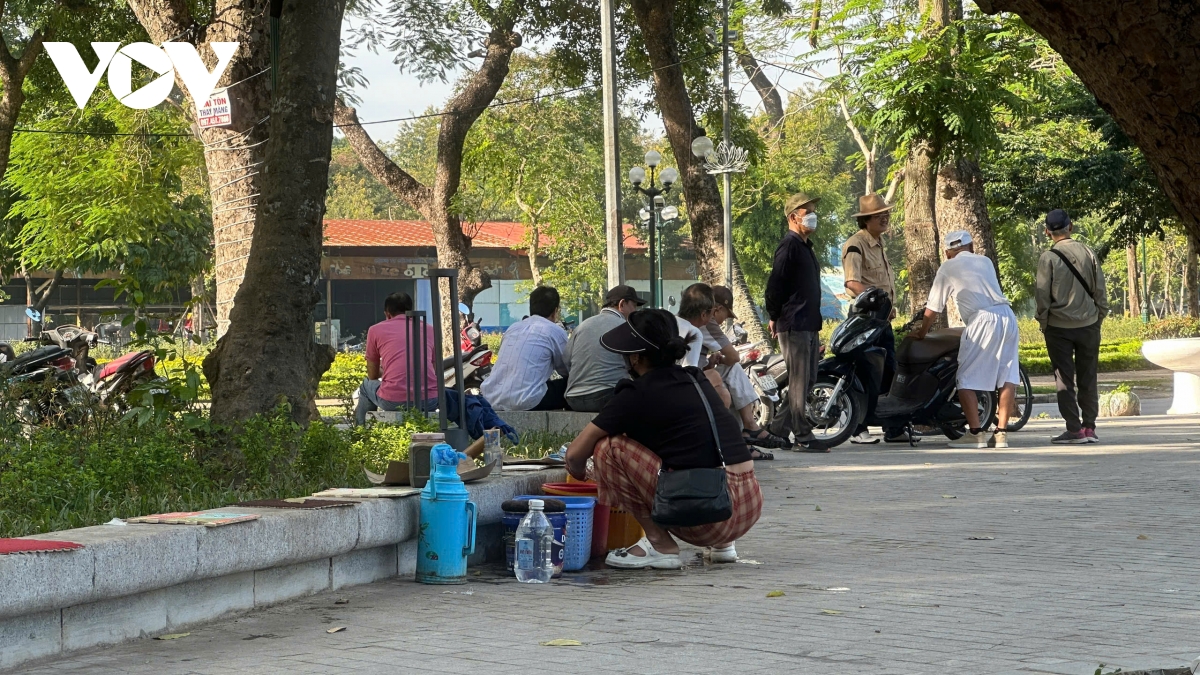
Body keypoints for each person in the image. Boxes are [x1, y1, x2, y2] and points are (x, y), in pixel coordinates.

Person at [565, 308, 763, 569]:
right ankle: (723, 546)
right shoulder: (696, 380)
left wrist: (581, 474)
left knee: (607, 449)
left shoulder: (634, 394)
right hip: (747, 504)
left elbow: (575, 454)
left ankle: (660, 544)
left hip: (708, 518)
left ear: (634, 357)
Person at [911, 231, 1020, 449]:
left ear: (947, 252)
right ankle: (1001, 433)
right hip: (1007, 316)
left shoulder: (948, 267)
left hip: (982, 319)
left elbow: (933, 308)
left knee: (965, 378)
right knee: (1007, 374)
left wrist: (921, 333)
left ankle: (976, 433)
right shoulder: (985, 261)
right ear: (971, 247)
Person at [680, 283, 790, 458]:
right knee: (729, 376)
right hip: (686, 380)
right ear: (713, 310)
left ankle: (744, 435)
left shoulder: (678, 323)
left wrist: (709, 363)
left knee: (730, 380)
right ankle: (746, 431)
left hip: (687, 374)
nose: (724, 320)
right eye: (726, 314)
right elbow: (732, 357)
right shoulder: (702, 327)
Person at [841, 194, 914, 445]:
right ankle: (858, 428)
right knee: (866, 372)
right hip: (865, 320)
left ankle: (892, 428)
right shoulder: (856, 244)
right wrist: (877, 301)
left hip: (882, 322)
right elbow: (852, 283)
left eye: (887, 214)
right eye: (878, 215)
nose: (885, 218)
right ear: (865, 220)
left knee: (889, 372)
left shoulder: (879, 243)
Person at [1035, 209, 1109, 444]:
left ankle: (1074, 430)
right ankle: (1089, 427)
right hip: (1089, 325)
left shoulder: (1048, 257)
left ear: (1047, 232)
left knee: (1064, 379)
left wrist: (1044, 322)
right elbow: (1100, 290)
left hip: (1058, 328)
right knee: (1089, 376)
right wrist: (1099, 316)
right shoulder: (1088, 252)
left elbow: (1042, 296)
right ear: (1071, 227)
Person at [764, 192, 824, 451]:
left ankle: (778, 429)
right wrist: (774, 316)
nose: (812, 217)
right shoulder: (788, 245)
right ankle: (803, 436)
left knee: (807, 379)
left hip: (809, 321)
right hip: (794, 322)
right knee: (799, 380)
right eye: (807, 212)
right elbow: (775, 284)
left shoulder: (804, 246)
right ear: (793, 217)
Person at [480, 286, 568, 411]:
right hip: (526, 400)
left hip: (492, 398)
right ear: (555, 311)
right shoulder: (555, 330)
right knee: (573, 384)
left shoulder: (513, 328)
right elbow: (567, 369)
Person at [356, 292, 438, 425]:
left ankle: (360, 432)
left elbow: (372, 375)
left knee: (366, 386)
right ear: (411, 311)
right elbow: (432, 368)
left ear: (387, 313)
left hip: (393, 401)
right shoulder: (429, 329)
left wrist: (384, 370)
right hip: (430, 400)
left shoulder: (375, 330)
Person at [563, 285, 645, 412]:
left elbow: (566, 363)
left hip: (573, 398)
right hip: (607, 396)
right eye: (634, 306)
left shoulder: (582, 326)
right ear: (622, 304)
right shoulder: (626, 328)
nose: (635, 311)